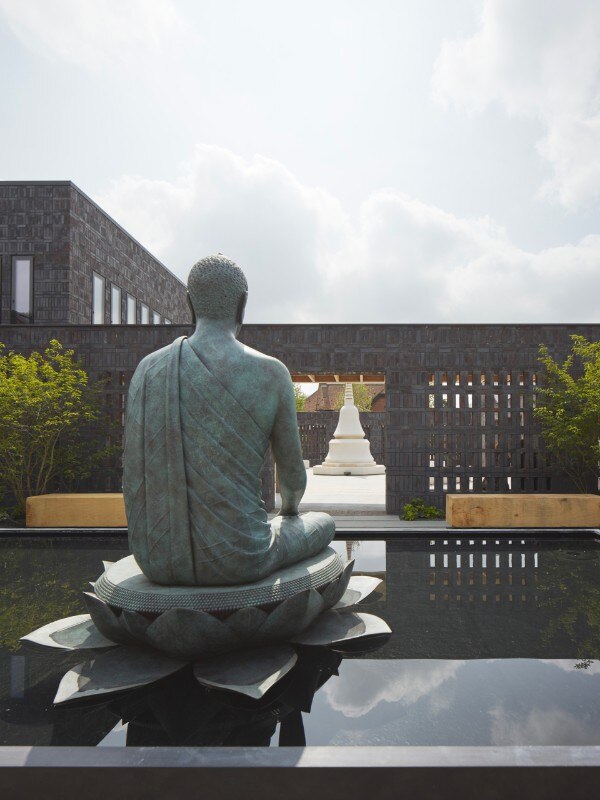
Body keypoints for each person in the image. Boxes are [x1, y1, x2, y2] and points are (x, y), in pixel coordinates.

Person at [123, 254, 335, 586]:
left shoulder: (148, 370)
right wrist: (288, 515)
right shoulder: (271, 372)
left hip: (156, 559)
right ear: (242, 305)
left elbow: (133, 476)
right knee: (322, 523)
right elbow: (293, 483)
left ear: (190, 303)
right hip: (242, 556)